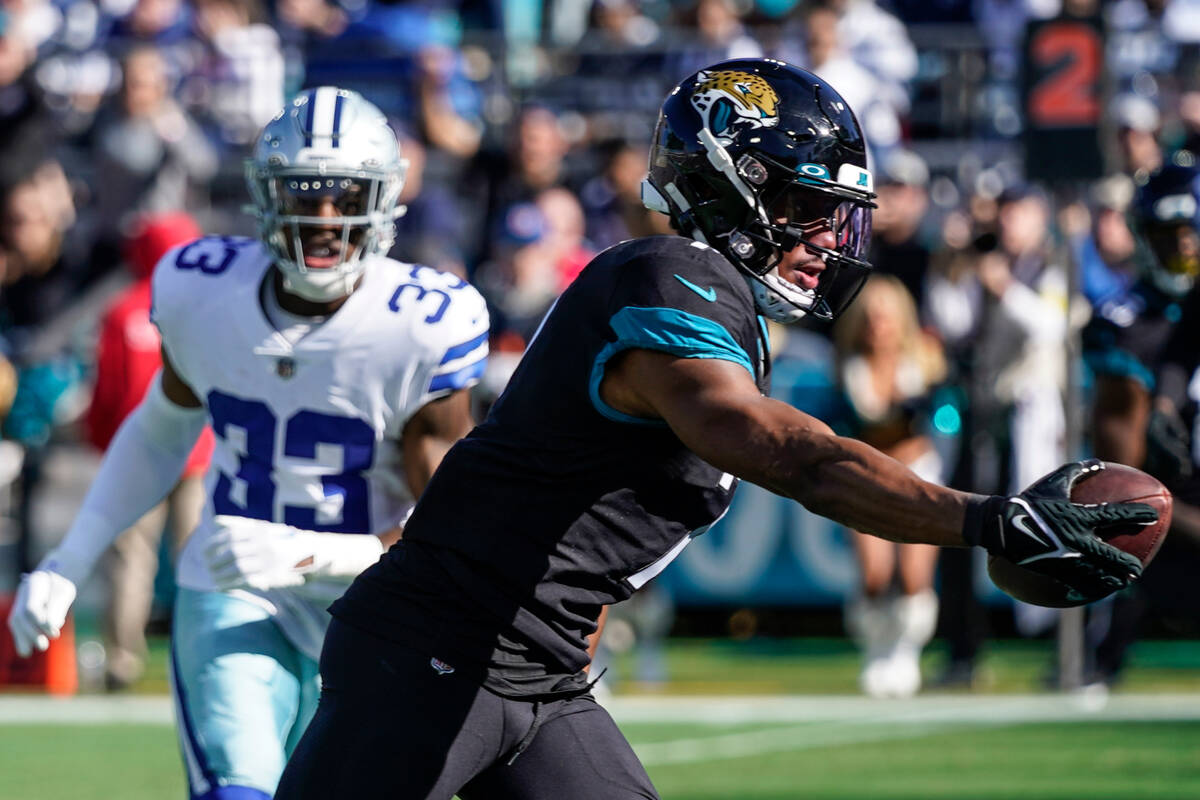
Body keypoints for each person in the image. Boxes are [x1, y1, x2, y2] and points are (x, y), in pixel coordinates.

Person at [274, 60, 1153, 800]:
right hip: (432, 651)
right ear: (735, 185)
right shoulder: (667, 274)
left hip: (536, 675)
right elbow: (777, 447)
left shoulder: (718, 303)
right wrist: (987, 519)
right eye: (810, 207)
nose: (828, 237)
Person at [7, 86, 488, 799]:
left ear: (382, 200)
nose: (324, 219)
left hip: (377, 601)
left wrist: (314, 552)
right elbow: (161, 429)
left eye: (344, 195)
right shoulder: (203, 289)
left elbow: (455, 524)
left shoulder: (422, 322)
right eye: (303, 194)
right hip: (235, 588)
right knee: (241, 790)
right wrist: (68, 559)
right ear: (266, 196)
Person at [88, 212, 215, 692]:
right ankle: (204, 657)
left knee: (130, 558)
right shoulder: (206, 307)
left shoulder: (122, 311)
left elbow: (106, 391)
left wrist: (102, 445)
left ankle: (122, 661)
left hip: (138, 454)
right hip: (199, 453)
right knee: (199, 556)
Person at [833, 274, 945, 698]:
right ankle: (875, 651)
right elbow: (863, 420)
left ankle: (906, 653)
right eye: (872, 318)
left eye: (887, 317)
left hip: (918, 471)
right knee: (874, 573)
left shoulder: (924, 361)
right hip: (869, 474)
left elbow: (938, 414)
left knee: (915, 576)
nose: (879, 326)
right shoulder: (850, 366)